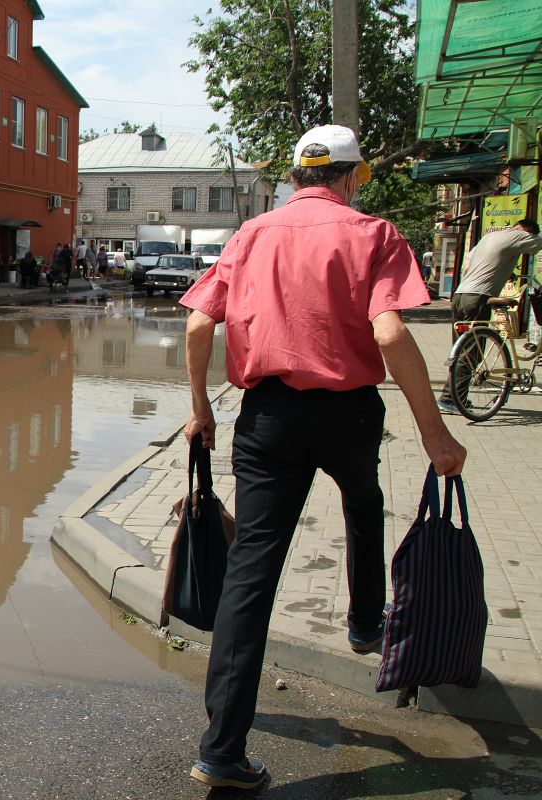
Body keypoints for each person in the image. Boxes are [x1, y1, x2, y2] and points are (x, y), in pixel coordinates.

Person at [179, 125, 466, 790]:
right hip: (349, 414)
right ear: (354, 176)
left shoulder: (251, 235)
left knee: (250, 577)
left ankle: (221, 751)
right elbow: (389, 331)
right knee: (363, 499)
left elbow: (197, 322)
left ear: (298, 174)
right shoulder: (375, 235)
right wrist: (436, 437)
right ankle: (367, 620)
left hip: (268, 422)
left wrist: (200, 410)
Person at [437, 218, 541, 413]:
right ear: (527, 232)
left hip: (460, 296)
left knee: (460, 350)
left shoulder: (490, 237)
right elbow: (538, 245)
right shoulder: (520, 236)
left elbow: (469, 264)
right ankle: (450, 399)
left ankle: (455, 397)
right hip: (478, 299)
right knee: (472, 353)